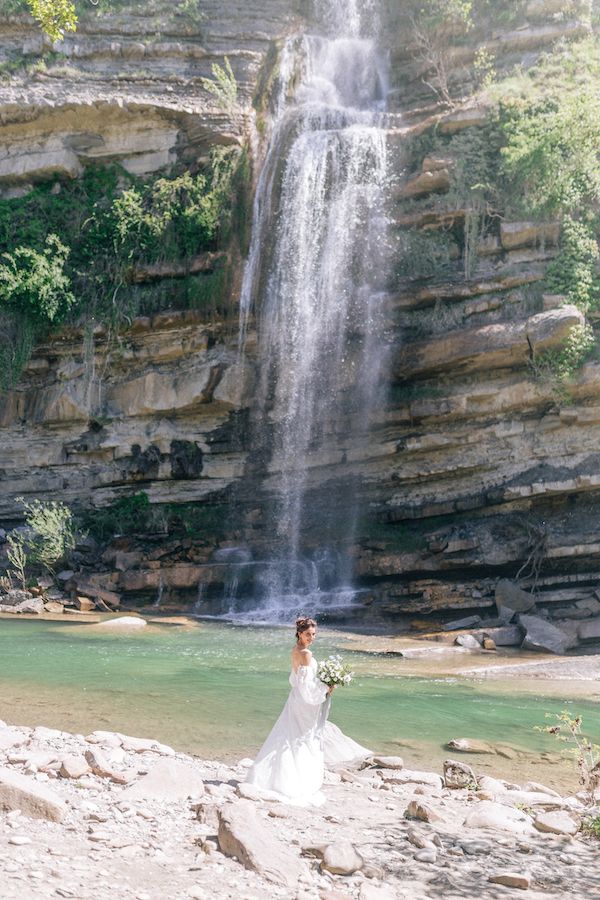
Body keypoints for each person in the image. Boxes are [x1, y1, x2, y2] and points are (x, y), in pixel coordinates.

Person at [244, 616, 371, 805]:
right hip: (304, 703)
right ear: (299, 633)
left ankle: (270, 777)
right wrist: (327, 689)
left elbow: (296, 681)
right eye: (308, 634)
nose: (311, 637)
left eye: (314, 634)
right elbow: (307, 688)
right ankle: (293, 782)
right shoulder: (306, 654)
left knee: (288, 736)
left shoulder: (295, 650)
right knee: (301, 739)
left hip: (295, 699)